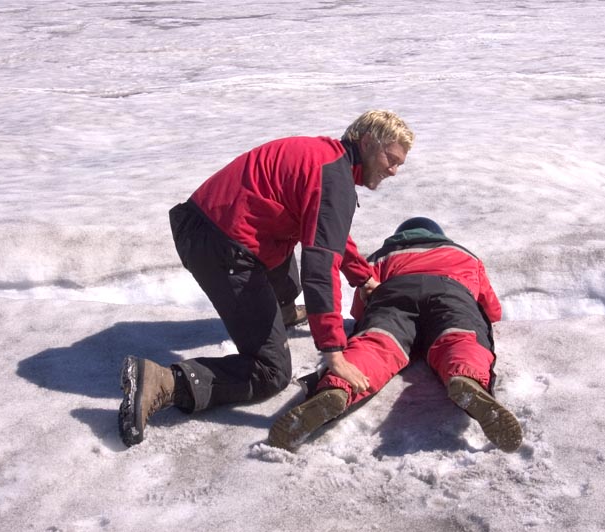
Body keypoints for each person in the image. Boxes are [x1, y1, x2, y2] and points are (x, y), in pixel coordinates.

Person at [118, 110, 415, 447]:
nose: (393, 170)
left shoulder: (326, 158)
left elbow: (326, 231)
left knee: (289, 281)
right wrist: (333, 352)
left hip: (207, 224)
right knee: (270, 372)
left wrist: (363, 278)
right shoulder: (335, 181)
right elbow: (320, 268)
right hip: (220, 248)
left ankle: (278, 313)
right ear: (367, 142)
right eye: (391, 159)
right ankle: (164, 383)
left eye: (399, 164)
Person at [267, 217, 523, 453]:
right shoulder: (463, 254)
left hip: (393, 294)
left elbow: (359, 308)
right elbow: (492, 309)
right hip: (450, 292)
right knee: (459, 337)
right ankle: (467, 377)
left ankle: (337, 389)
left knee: (377, 344)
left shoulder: (381, 255)